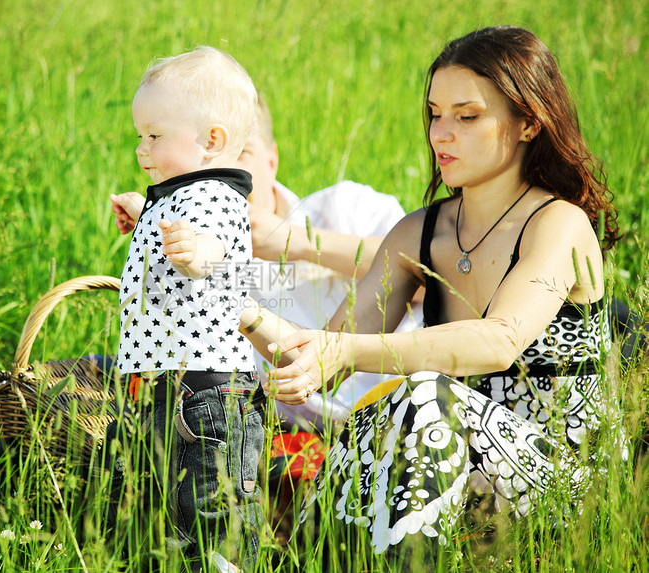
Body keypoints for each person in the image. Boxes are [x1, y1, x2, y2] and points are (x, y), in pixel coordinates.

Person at [237, 26, 621, 563]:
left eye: (467, 117)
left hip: (563, 476)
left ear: (529, 122)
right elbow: (327, 351)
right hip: (451, 464)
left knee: (417, 395)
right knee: (382, 413)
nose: (442, 134)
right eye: (435, 114)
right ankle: (305, 560)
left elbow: (500, 341)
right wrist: (234, 303)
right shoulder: (420, 233)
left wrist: (344, 352)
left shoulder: (558, 223)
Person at [115, 94, 422, 434]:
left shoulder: (345, 207)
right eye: (204, 163)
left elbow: (431, 280)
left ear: (272, 160)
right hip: (328, 435)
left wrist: (293, 240)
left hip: (414, 402)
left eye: (240, 153)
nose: (221, 174)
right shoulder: (200, 270)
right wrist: (163, 239)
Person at [105, 46, 264, 568]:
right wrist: (142, 210)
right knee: (162, 514)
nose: (140, 147)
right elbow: (176, 222)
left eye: (153, 135)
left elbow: (217, 241)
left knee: (211, 516)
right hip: (168, 386)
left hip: (206, 392)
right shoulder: (180, 193)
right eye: (140, 135)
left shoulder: (215, 194)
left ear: (211, 140)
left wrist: (200, 251)